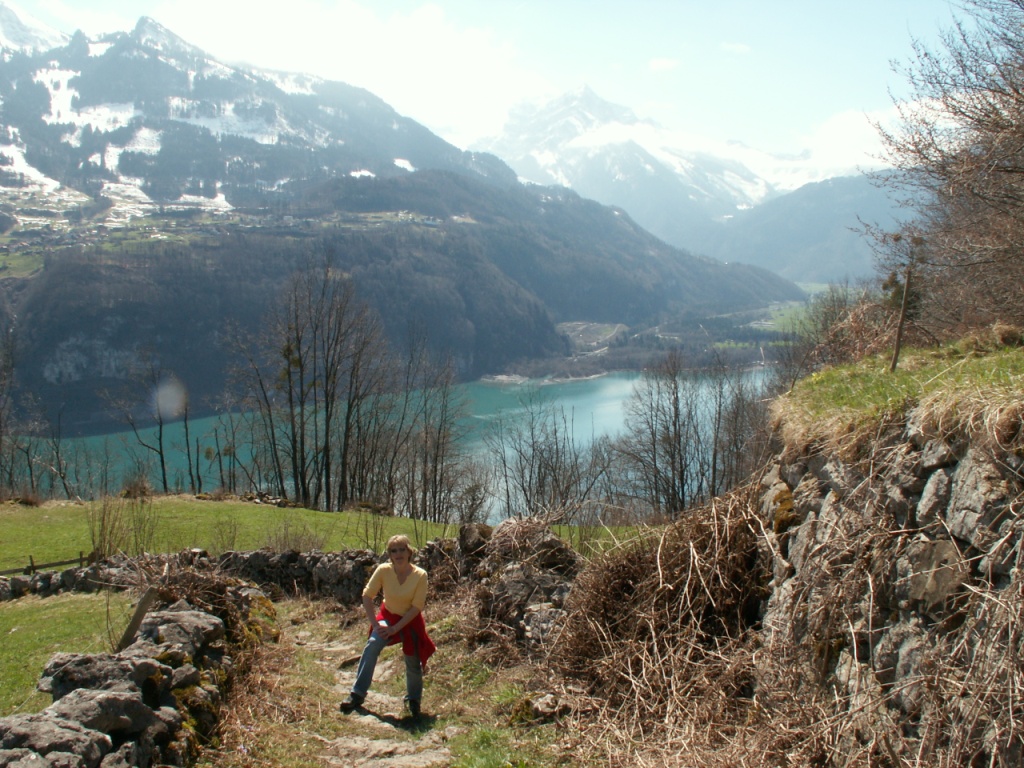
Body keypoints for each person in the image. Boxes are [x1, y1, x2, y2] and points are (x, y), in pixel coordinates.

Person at [340, 534, 436, 718]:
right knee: (373, 644)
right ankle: (357, 694)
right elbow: (367, 596)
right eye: (394, 550)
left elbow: (417, 607)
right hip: (388, 615)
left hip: (410, 620)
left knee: (412, 659)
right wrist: (376, 624)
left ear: (409, 552)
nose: (398, 554)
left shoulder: (420, 575)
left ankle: (414, 701)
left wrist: (396, 629)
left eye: (402, 550)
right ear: (389, 554)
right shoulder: (383, 570)